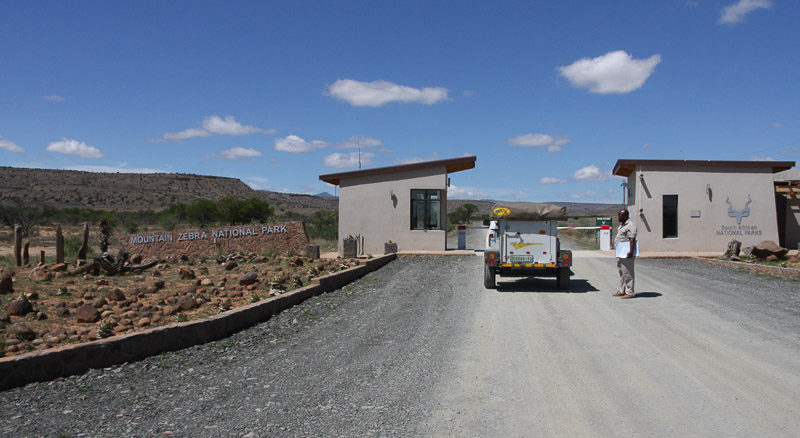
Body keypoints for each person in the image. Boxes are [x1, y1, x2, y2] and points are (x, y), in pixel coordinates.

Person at [613, 208, 637, 299]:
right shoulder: (622, 225)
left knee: (628, 272)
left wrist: (630, 251)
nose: (618, 217)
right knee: (621, 272)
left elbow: (632, 239)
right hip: (620, 252)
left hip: (626, 253)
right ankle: (622, 290)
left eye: (620, 216)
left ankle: (630, 292)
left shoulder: (631, 225)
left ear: (625, 216)